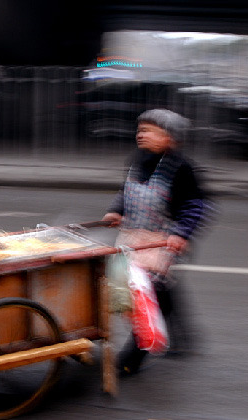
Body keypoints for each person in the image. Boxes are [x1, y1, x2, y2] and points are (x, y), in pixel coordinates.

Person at [101, 108, 209, 376]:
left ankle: (134, 355)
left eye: (149, 130)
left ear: (169, 137)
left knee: (145, 296)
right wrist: (116, 210)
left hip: (162, 241)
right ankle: (183, 338)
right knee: (156, 291)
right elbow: (126, 191)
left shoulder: (181, 168)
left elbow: (195, 206)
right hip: (133, 238)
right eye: (140, 129)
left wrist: (181, 234)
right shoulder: (137, 161)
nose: (141, 134)